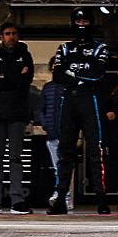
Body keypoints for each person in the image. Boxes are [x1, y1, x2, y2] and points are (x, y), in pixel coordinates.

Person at [49, 7, 118, 213]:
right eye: (78, 22)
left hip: (91, 101)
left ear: (91, 23)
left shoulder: (100, 48)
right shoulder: (65, 47)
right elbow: (58, 76)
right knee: (65, 152)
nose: (81, 25)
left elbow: (98, 74)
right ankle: (60, 199)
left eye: (85, 22)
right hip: (68, 102)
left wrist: (72, 73)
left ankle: (101, 200)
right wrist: (81, 75)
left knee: (95, 151)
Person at [0, 21, 37, 214]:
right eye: (7, 33)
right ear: (1, 36)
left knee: (16, 157)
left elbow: (24, 81)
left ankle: (17, 200)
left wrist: (6, 78)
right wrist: (13, 77)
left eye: (14, 33)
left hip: (18, 112)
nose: (11, 37)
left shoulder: (26, 55)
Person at [36, 66, 72, 212]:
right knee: (57, 167)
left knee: (64, 168)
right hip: (52, 134)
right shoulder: (47, 88)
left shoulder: (69, 87)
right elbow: (41, 109)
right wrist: (45, 124)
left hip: (66, 134)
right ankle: (61, 195)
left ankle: (64, 196)